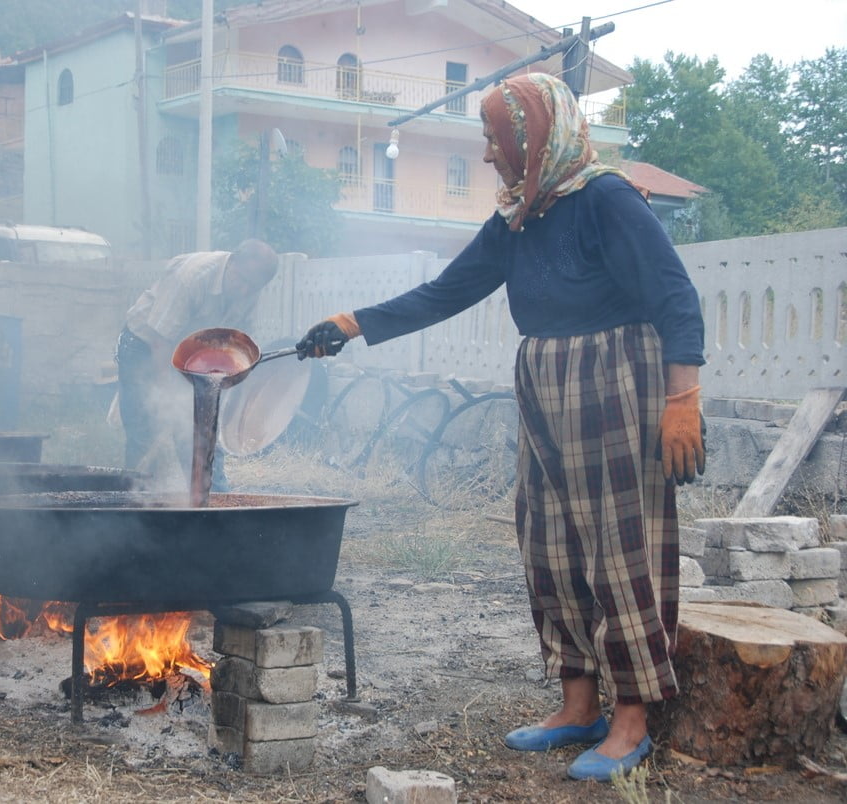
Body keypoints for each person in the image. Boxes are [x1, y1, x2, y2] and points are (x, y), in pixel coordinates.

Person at [296, 72, 705, 782]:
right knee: (548, 542)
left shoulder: (605, 200)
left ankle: (631, 715)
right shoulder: (523, 214)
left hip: (613, 379)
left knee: (620, 549)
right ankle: (578, 703)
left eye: (492, 137)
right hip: (545, 383)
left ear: (532, 136)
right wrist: (352, 324)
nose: (487, 153)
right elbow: (447, 290)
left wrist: (684, 397)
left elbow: (675, 296)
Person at [117, 239, 279, 489]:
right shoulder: (192, 277)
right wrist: (167, 400)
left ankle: (212, 504)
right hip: (145, 346)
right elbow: (160, 341)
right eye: (243, 282)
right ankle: (137, 504)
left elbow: (237, 346)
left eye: (254, 287)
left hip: (195, 357)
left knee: (203, 432)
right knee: (146, 429)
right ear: (232, 263)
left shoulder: (249, 291)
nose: (245, 291)